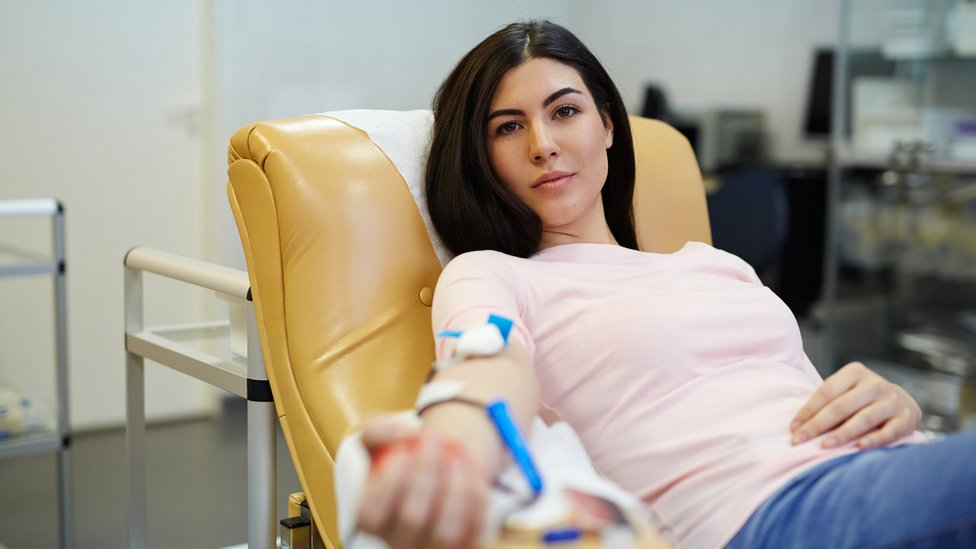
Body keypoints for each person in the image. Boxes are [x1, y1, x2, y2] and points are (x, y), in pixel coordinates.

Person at [356, 20, 976, 549]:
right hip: (769, 513)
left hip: (889, 469)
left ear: (607, 126)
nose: (543, 145)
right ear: (480, 157)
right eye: (508, 127)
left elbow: (804, 398)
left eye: (564, 111)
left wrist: (896, 407)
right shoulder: (496, 272)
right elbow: (484, 364)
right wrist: (455, 441)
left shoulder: (714, 264)